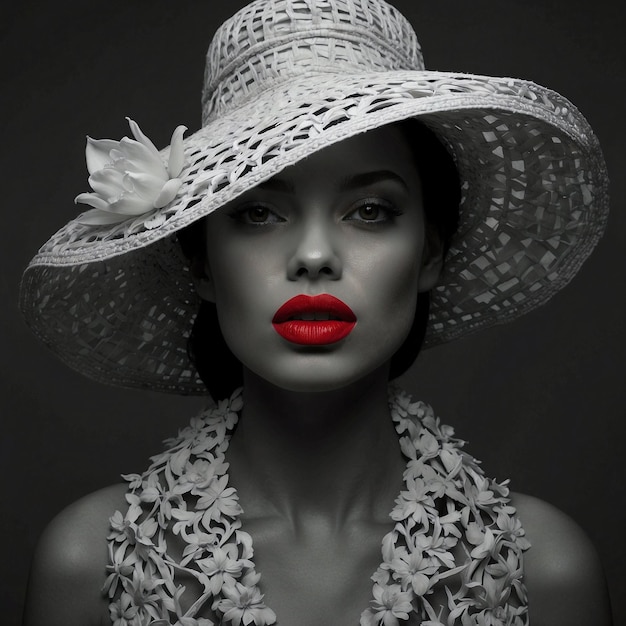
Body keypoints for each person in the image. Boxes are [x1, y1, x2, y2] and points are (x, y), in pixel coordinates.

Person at [19, 0, 613, 624]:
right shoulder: (91, 566)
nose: (312, 256)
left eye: (370, 211)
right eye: (258, 212)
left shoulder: (543, 572)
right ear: (199, 262)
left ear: (430, 253)